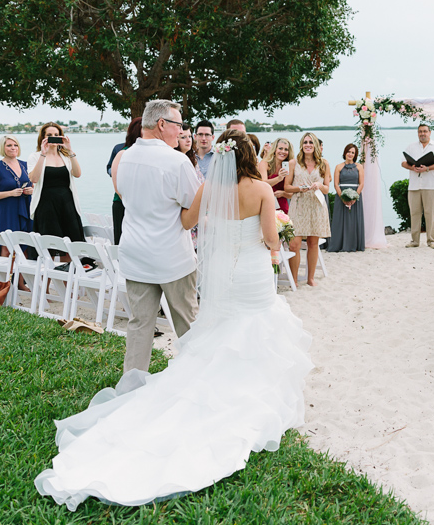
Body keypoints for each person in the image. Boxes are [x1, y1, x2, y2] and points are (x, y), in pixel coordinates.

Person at [35, 128, 312, 511]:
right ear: (251, 155)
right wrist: (279, 235)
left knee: (224, 328)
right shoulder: (263, 190)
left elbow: (186, 223)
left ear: (223, 155)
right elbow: (269, 238)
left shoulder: (210, 188)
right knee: (257, 329)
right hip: (251, 273)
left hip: (219, 275)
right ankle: (247, 391)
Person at [114, 100, 201, 373]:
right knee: (187, 323)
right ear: (162, 125)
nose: (181, 132)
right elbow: (189, 219)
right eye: (179, 125)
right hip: (171, 256)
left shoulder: (124, 157)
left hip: (135, 254)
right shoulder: (177, 162)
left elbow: (125, 199)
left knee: (139, 324)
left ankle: (131, 382)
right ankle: (195, 376)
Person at [27, 122, 86, 251]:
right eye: (49, 135)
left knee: (71, 244)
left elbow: (77, 174)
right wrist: (43, 154)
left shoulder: (66, 155)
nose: (53, 137)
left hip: (67, 203)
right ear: (43, 137)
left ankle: (70, 270)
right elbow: (34, 179)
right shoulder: (35, 156)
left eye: (56, 135)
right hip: (46, 204)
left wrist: (70, 150)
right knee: (50, 245)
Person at [284, 133, 331, 286]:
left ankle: (310, 279)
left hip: (316, 206)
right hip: (298, 205)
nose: (308, 144)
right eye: (305, 142)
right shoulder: (293, 163)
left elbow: (326, 190)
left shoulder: (324, 163)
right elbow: (287, 187)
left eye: (311, 142)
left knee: (312, 243)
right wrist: (300, 188)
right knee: (294, 244)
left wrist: (320, 185)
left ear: (316, 145)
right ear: (301, 145)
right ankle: (295, 279)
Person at [0, 135, 34, 254]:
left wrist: (32, 191)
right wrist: (10, 193)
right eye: (9, 145)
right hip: (7, 212)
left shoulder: (26, 165)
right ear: (3, 147)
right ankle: (7, 273)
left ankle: (22, 273)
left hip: (27, 209)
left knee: (27, 245)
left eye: (15, 145)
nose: (13, 148)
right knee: (7, 246)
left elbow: (35, 186)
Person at [401, 124, 434, 249]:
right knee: (414, 213)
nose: (422, 134)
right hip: (414, 185)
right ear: (417, 133)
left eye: (425, 131)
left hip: (431, 185)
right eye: (420, 131)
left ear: (430, 132)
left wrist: (427, 168)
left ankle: (431, 240)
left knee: (430, 213)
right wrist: (412, 167)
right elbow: (403, 162)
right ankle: (414, 241)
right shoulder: (411, 146)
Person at [109, 118, 142, 245]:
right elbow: (117, 186)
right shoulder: (123, 152)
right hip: (123, 204)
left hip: (141, 206)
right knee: (123, 240)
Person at [328, 143, 365, 252]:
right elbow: (336, 184)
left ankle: (354, 244)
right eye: (348, 151)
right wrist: (343, 197)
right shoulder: (338, 166)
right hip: (341, 195)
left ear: (355, 155)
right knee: (340, 221)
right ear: (345, 153)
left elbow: (361, 184)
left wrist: (354, 197)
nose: (350, 154)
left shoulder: (359, 167)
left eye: (352, 152)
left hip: (355, 195)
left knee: (353, 220)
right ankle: (339, 244)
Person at [259, 138, 294, 214]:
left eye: (286, 149)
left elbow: (293, 193)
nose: (283, 152)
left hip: (282, 205)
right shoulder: (264, 164)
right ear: (275, 150)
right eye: (280, 148)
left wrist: (283, 193)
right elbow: (263, 184)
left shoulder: (289, 166)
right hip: (266, 203)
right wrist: (279, 178)